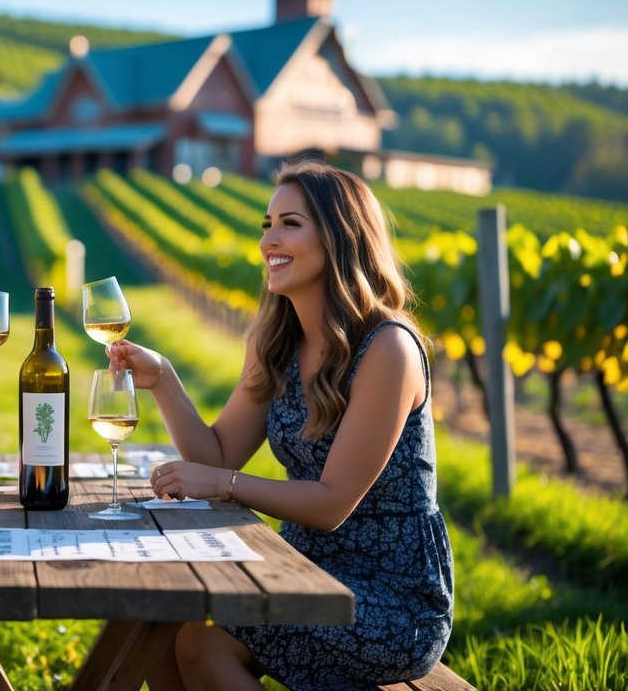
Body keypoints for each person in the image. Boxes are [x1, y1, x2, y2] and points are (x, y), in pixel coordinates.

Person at [111, 157, 453, 691]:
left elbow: (331, 504)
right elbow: (217, 455)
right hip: (301, 569)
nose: (269, 239)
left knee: (197, 643)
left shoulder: (388, 348)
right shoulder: (277, 343)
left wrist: (224, 485)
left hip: (391, 602)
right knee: (157, 626)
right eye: (267, 224)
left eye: (290, 223)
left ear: (340, 238)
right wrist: (163, 380)